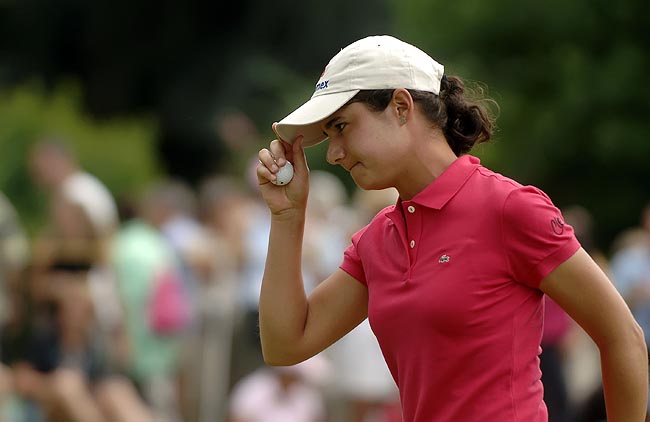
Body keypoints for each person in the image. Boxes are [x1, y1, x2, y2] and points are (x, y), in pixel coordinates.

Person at [255, 35, 648, 421]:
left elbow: (622, 337)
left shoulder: (510, 208)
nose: (335, 153)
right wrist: (287, 218)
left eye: (341, 126)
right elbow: (286, 345)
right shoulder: (376, 241)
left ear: (401, 106)